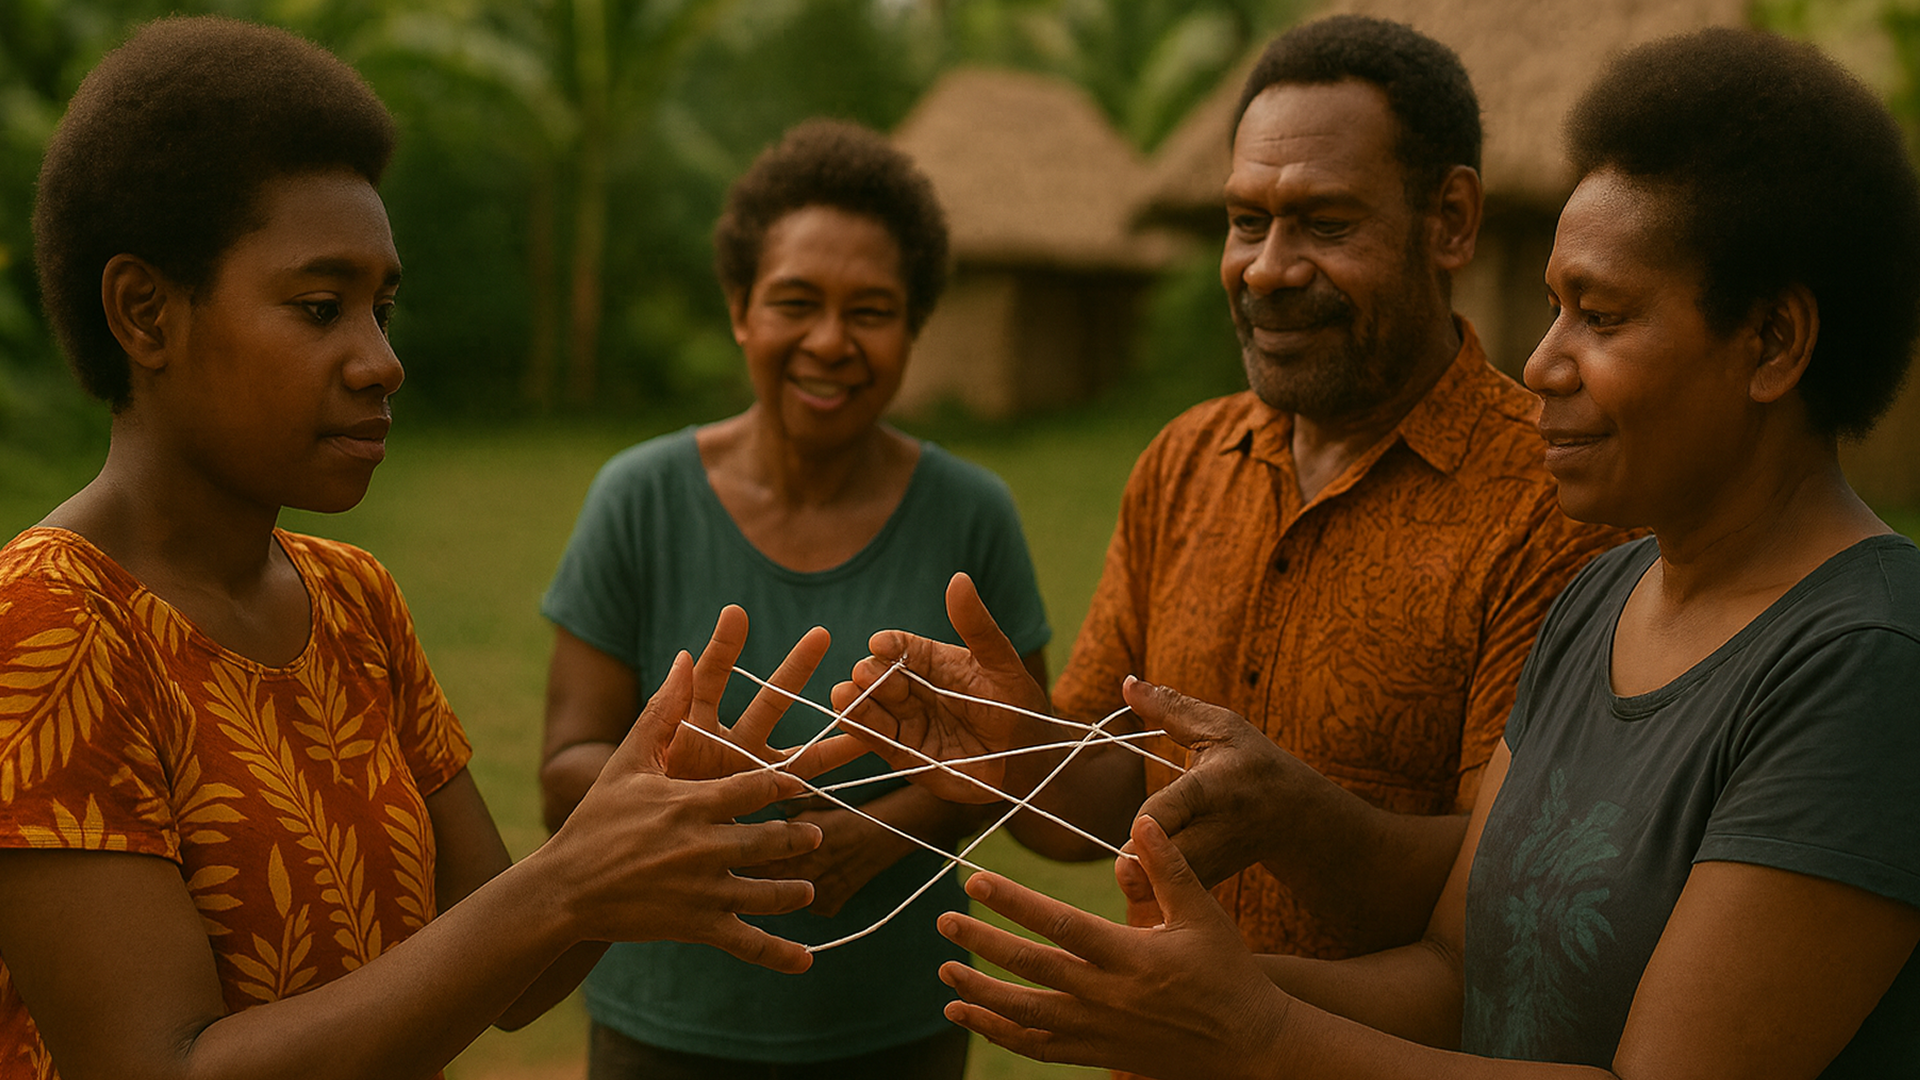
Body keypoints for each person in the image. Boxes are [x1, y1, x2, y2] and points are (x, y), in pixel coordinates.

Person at [864, 27, 1920, 1079]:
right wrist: (1155, 977)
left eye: (1599, 316)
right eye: (1554, 309)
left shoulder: (1864, 659)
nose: (1545, 361)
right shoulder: (1607, 598)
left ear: (1774, 342)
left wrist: (1259, 1030)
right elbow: (1460, 974)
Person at [0, 18, 861, 1080]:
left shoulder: (352, 602)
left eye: (383, 307)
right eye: (321, 308)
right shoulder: (48, 625)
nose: (380, 361)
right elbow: (157, 1065)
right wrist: (567, 886)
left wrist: (646, 815)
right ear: (145, 313)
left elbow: (515, 971)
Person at [845, 13, 1627, 990]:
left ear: (1453, 220)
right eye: (1246, 220)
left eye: (1325, 223)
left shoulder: (1554, 506)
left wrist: (1298, 821)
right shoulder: (1183, 464)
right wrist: (1013, 748)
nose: (1268, 267)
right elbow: (1102, 803)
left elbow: (1514, 898)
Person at [536, 119, 1050, 1079]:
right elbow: (565, 766)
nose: (829, 341)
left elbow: (1019, 759)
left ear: (914, 327)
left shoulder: (974, 514)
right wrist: (695, 794)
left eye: (872, 310)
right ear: (739, 308)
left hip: (896, 1021)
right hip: (666, 1020)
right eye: (795, 302)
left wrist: (882, 833)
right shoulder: (638, 499)